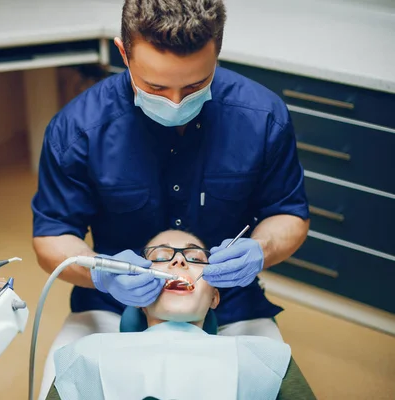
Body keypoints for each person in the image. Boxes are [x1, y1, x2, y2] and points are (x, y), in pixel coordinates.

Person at [32, 0, 309, 397]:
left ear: (216, 51)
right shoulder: (78, 129)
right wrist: (101, 272)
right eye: (156, 87)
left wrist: (261, 249)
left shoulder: (262, 117)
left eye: (196, 85)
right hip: (109, 306)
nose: (177, 103)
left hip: (230, 306)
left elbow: (289, 214)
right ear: (123, 53)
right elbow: (51, 236)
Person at [46, 230, 316, 400]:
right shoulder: (85, 359)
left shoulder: (266, 360)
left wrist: (266, 246)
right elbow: (51, 230)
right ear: (137, 296)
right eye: (161, 256)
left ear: (214, 297)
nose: (179, 261)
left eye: (196, 258)